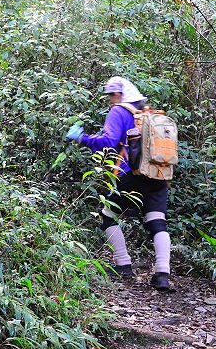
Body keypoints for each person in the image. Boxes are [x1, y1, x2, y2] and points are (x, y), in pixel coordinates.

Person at [65, 76, 172, 291]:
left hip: (130, 174)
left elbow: (108, 141)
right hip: (158, 173)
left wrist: (82, 137)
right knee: (156, 220)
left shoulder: (119, 111)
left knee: (107, 216)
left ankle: (123, 266)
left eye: (112, 95)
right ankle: (162, 274)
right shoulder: (147, 113)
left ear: (120, 94)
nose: (110, 100)